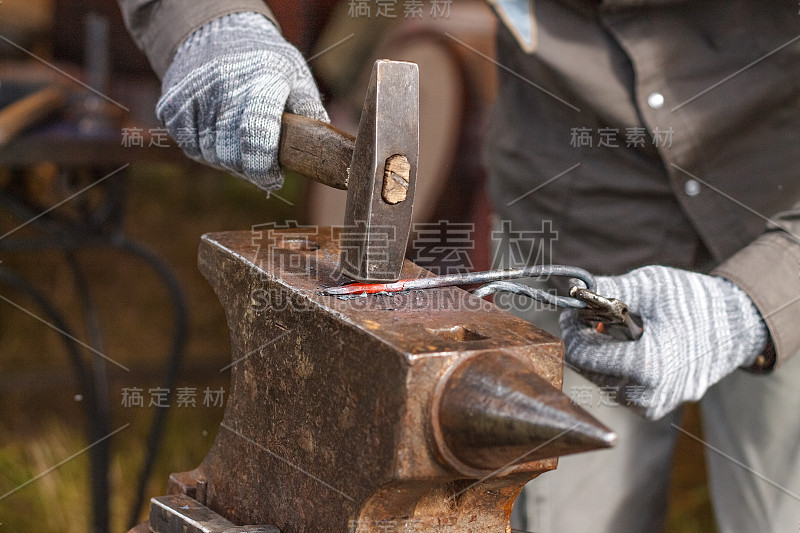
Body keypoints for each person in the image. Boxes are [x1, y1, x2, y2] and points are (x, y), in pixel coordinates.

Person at [115, 1, 800, 531]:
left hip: (783, 180)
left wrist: (755, 306)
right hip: (577, 172)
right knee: (553, 505)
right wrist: (210, 24)